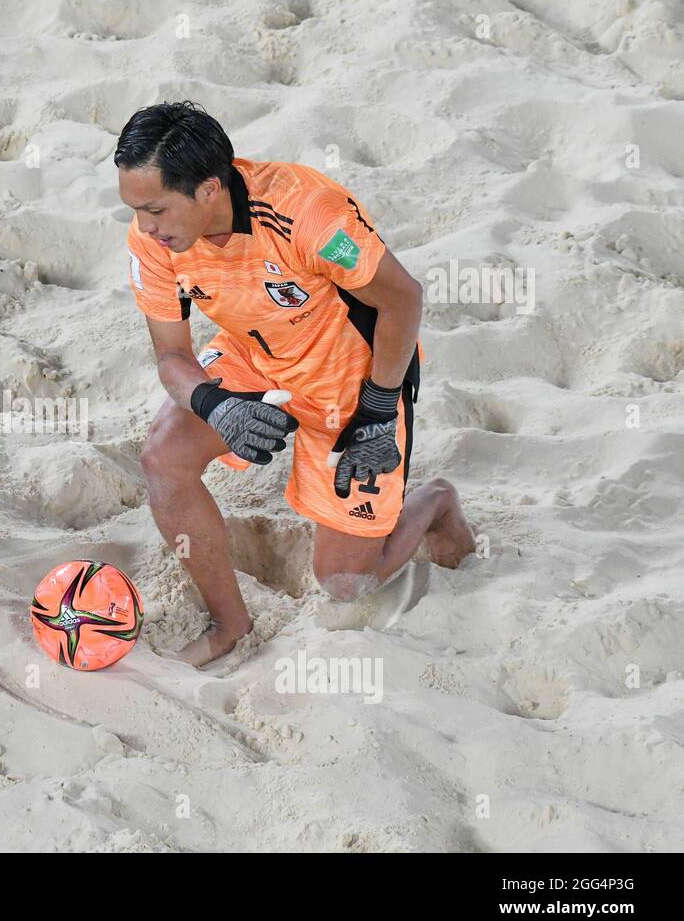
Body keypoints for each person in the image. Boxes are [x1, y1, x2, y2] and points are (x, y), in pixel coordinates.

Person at [116, 102, 474, 666]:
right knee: (164, 456)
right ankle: (230, 624)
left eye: (156, 209)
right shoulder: (153, 241)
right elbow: (171, 357)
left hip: (353, 378)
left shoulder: (306, 213)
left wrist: (379, 411)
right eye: (135, 210)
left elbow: (403, 299)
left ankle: (433, 500)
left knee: (344, 584)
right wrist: (214, 405)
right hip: (253, 355)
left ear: (209, 188)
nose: (145, 227)